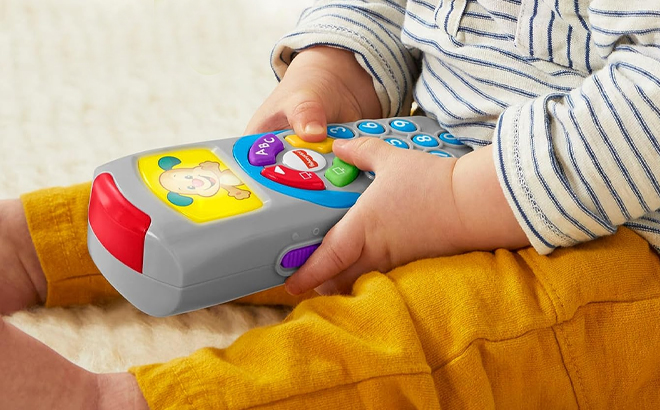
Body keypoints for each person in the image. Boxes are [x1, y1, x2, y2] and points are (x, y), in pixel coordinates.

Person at [2, 0, 660, 408]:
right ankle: (29, 248)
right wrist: (332, 71)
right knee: (219, 197)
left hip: (617, 240)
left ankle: (110, 402)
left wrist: (460, 201)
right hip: (426, 160)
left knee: (435, 337)